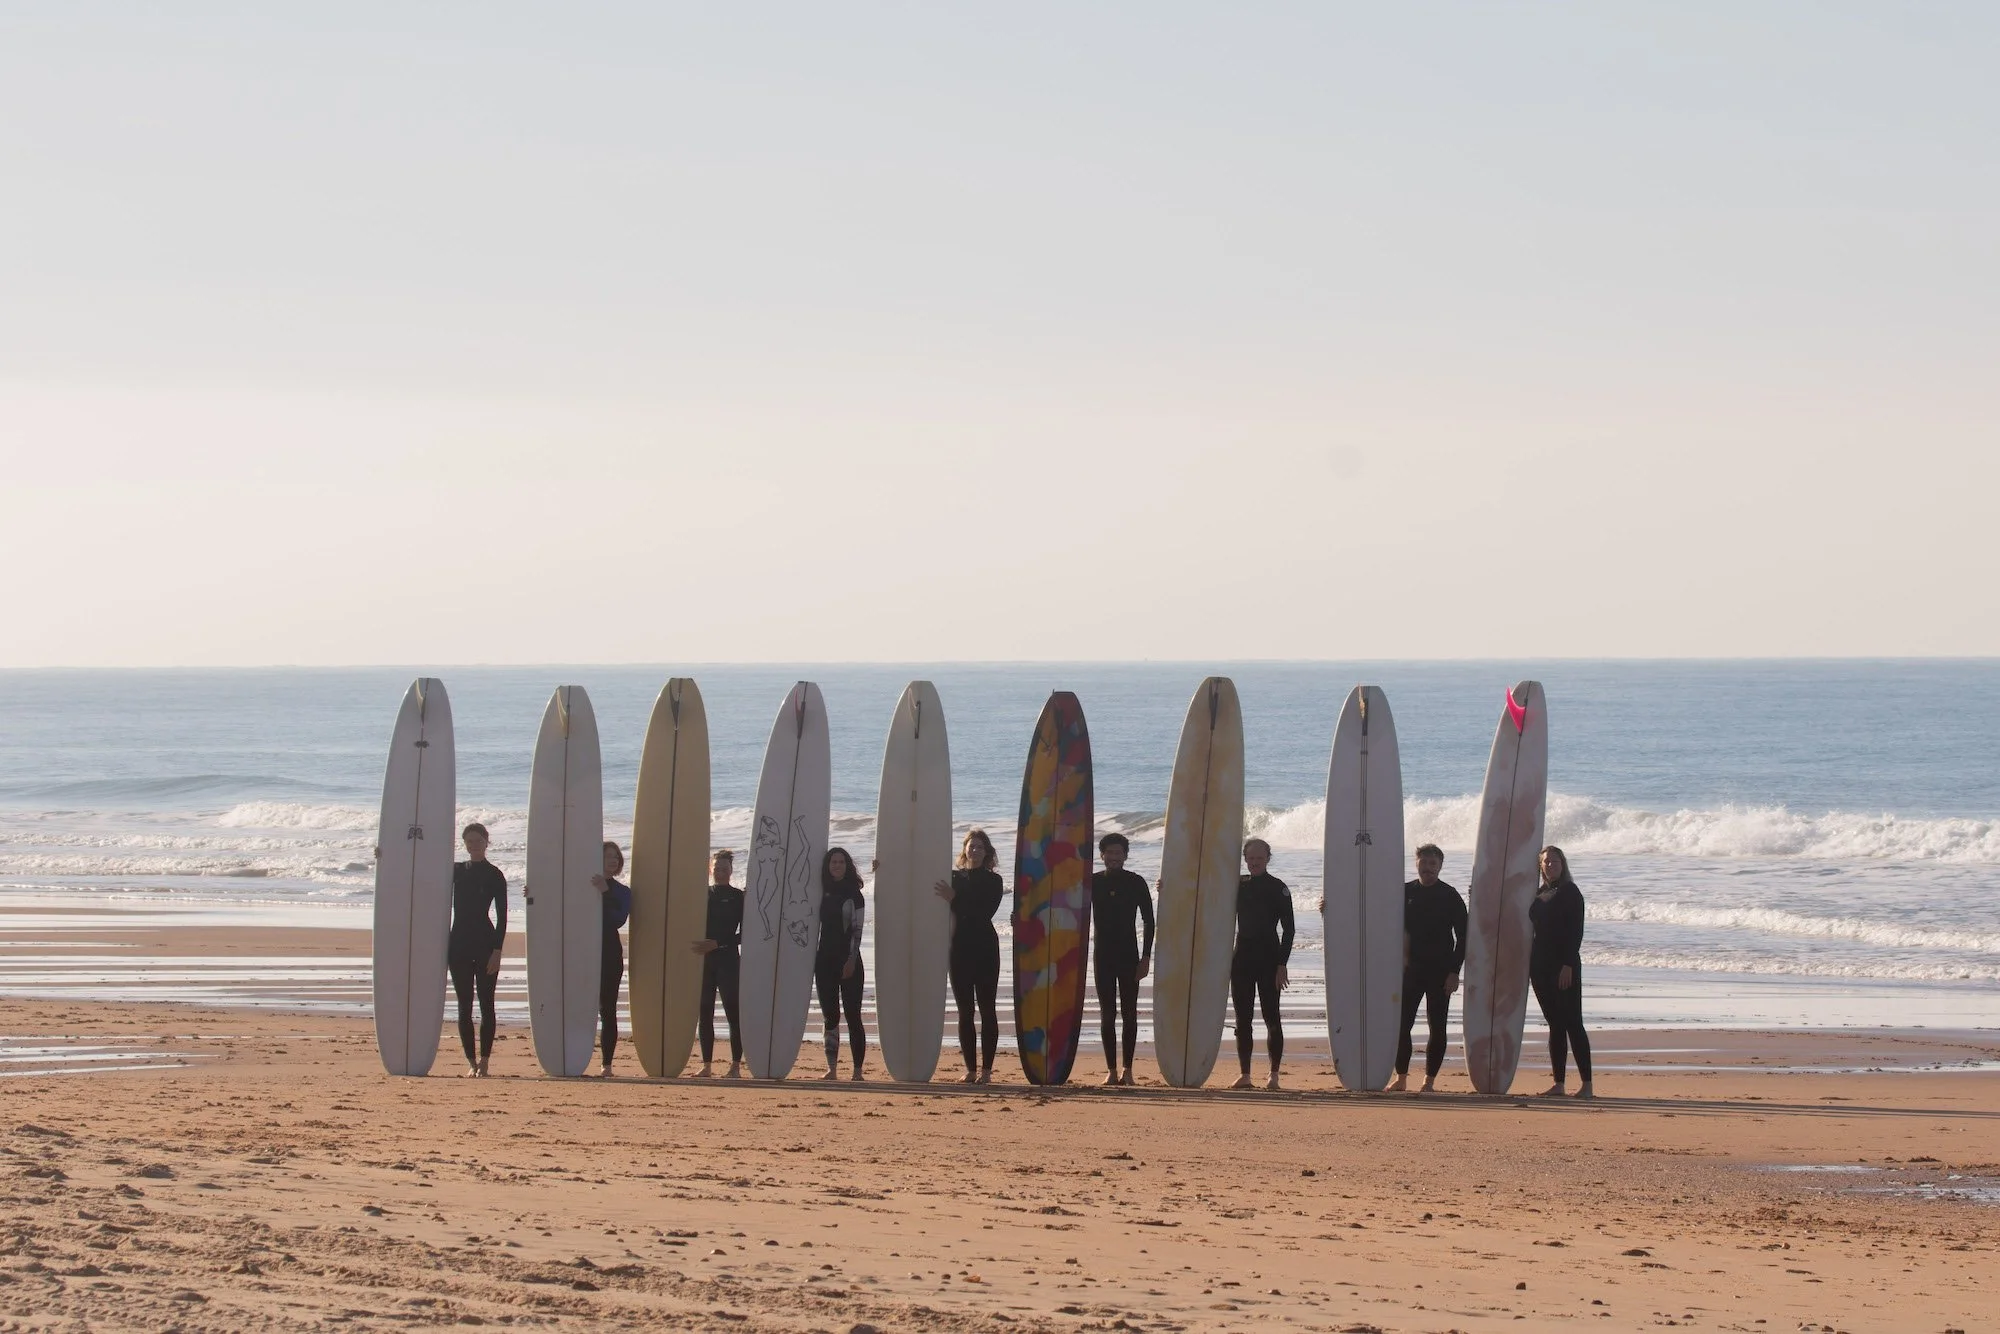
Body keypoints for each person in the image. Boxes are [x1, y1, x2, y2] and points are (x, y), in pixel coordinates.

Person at [1391, 843, 1468, 1094]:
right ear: (1416, 863)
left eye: (1433, 863)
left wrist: (1455, 971)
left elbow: (1464, 937)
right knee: (1402, 1025)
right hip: (1409, 971)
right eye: (1423, 862)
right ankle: (1401, 1078)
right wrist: (1330, 906)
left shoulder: (1450, 895)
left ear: (1440, 866)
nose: (1427, 868)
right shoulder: (1404, 892)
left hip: (1440, 972)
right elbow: (1379, 917)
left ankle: (1429, 1081)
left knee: (1437, 1026)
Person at [934, 829, 1005, 1084]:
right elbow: (920, 876)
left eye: (979, 847)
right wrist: (882, 867)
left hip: (985, 948)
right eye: (971, 846)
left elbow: (983, 912)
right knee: (965, 1011)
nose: (974, 850)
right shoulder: (953, 877)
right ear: (964, 849)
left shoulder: (994, 881)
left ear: (987, 853)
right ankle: (971, 1070)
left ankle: (986, 1071)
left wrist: (955, 898)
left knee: (987, 1008)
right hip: (959, 949)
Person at [1090, 832, 1154, 1086]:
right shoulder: (1092, 882)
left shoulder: (1136, 882)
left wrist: (1146, 957)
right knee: (1107, 1013)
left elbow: (1149, 921)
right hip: (1102, 955)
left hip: (1129, 955)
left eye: (1119, 853)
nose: (1114, 857)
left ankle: (1128, 1070)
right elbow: (1071, 908)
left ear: (1126, 855)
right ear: (1102, 855)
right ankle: (1111, 1070)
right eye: (1109, 852)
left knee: (1129, 1012)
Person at [1230, 837, 1294, 1090]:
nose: (1255, 862)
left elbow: (1289, 929)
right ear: (1245, 859)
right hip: (1242, 958)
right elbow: (1207, 898)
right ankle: (1245, 1074)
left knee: (1271, 1016)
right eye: (1251, 858)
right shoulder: (1237, 885)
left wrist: (1282, 964)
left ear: (1268, 859)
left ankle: (1273, 1075)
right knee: (1242, 1018)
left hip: (1269, 958)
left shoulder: (1278, 888)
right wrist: (1164, 887)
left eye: (1259, 858)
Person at [1530, 845, 1593, 1099]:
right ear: (1540, 866)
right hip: (1540, 965)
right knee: (1555, 1024)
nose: (1550, 865)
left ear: (1562, 864)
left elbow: (1576, 931)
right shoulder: (1539, 893)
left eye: (1554, 861)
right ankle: (1559, 1084)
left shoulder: (1570, 892)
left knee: (1573, 1023)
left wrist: (1568, 965)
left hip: (1563, 966)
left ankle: (1587, 1085)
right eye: (1546, 862)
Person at [447, 822, 506, 1077]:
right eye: (469, 841)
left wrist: (497, 950)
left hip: (485, 944)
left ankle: (485, 1060)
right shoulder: (455, 871)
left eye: (478, 840)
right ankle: (471, 1062)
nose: (474, 845)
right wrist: (383, 856)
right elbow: (421, 875)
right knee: (464, 1005)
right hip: (458, 944)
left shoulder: (495, 874)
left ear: (486, 842)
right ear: (464, 844)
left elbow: (502, 917)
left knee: (486, 1003)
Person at [815, 847, 869, 1080]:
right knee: (830, 1016)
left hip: (849, 960)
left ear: (847, 866)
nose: (837, 865)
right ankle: (832, 1069)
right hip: (824, 960)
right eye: (833, 862)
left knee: (853, 1015)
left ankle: (857, 1071)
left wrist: (851, 960)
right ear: (827, 866)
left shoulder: (854, 894)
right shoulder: (821, 891)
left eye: (841, 862)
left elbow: (857, 931)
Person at [691, 849, 744, 1078]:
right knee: (705, 1012)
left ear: (731, 871)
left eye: (725, 868)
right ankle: (706, 1065)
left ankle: (735, 1066)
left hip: (728, 960)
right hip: (705, 961)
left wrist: (718, 943)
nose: (720, 872)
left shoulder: (739, 897)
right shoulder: (702, 895)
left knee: (733, 1012)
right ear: (710, 869)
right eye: (717, 868)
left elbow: (745, 934)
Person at [590, 841, 632, 1077]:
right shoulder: (583, 885)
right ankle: (575, 1056)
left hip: (609, 952)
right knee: (582, 1007)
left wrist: (605, 891)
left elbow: (618, 919)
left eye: (616, 856)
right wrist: (532, 893)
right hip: (584, 950)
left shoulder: (623, 892)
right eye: (608, 856)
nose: (613, 860)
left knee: (607, 1009)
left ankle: (606, 1065)